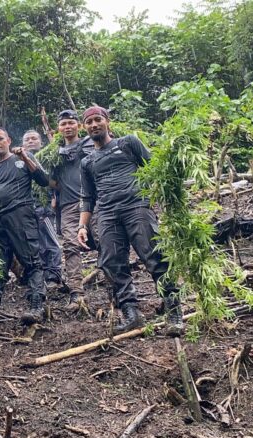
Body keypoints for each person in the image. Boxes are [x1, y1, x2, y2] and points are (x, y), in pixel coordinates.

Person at [77, 106, 184, 335]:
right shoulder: (87, 162)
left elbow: (154, 169)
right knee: (112, 263)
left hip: (136, 206)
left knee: (154, 256)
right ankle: (131, 313)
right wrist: (82, 225)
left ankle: (174, 312)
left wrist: (167, 202)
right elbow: (87, 197)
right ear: (84, 127)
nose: (94, 125)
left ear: (107, 121)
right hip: (106, 214)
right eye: (89, 122)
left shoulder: (127, 143)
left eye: (98, 120)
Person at [0, 128, 49, 324]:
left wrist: (25, 157)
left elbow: (43, 181)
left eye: (0, 138)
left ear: (8, 140)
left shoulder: (22, 159)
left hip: (21, 215)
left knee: (32, 261)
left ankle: (37, 306)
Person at [49, 110, 97, 309]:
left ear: (78, 125)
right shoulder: (55, 153)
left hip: (94, 202)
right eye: (63, 124)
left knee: (105, 240)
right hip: (68, 204)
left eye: (71, 123)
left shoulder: (90, 144)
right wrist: (55, 195)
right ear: (58, 129)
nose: (67, 127)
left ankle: (115, 289)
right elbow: (51, 180)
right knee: (70, 245)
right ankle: (76, 293)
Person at [22, 130, 63, 291]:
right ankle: (37, 276)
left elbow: (54, 180)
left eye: (34, 138)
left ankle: (53, 275)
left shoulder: (48, 158)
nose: (31, 141)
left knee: (50, 241)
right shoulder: (20, 161)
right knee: (33, 244)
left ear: (41, 142)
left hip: (45, 206)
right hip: (27, 209)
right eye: (27, 139)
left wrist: (54, 197)